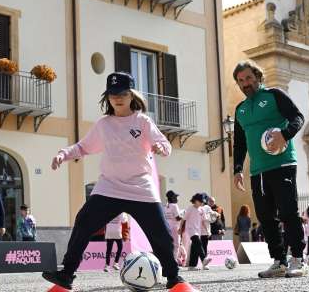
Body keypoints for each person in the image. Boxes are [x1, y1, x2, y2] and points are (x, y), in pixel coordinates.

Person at [41, 72, 195, 292]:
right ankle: (66, 274)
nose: (117, 98)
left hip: (140, 187)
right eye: (113, 94)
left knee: (160, 234)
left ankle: (174, 278)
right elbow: (83, 147)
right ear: (108, 97)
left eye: (122, 93)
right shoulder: (104, 124)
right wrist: (63, 154)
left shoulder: (142, 121)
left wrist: (162, 148)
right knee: (83, 221)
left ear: (131, 95)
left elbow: (164, 144)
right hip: (109, 186)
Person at [232, 60, 306, 278]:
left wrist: (285, 134)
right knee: (266, 217)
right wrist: (237, 169)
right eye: (241, 80)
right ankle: (279, 261)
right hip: (258, 171)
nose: (245, 83)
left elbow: (297, 117)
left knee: (288, 212)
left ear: (257, 77)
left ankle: (298, 259)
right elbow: (239, 143)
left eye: (248, 78)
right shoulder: (240, 109)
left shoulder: (274, 95)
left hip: (282, 164)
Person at [180, 193, 212, 271]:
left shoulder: (201, 209)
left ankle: (192, 265)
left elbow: (204, 221)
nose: (201, 203)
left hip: (198, 231)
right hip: (191, 230)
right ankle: (203, 259)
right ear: (195, 200)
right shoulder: (190, 208)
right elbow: (183, 219)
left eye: (202, 201)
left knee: (194, 247)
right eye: (200, 201)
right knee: (198, 243)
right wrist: (180, 228)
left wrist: (207, 231)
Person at [199, 193, 219, 269]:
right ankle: (204, 264)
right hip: (204, 231)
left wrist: (216, 214)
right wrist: (208, 231)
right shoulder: (206, 207)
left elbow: (212, 213)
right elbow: (207, 219)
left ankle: (193, 264)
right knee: (204, 247)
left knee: (199, 247)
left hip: (198, 231)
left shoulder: (199, 208)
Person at [164, 190, 182, 261]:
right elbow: (178, 218)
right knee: (176, 245)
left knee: (169, 245)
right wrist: (184, 216)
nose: (177, 198)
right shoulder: (175, 206)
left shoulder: (165, 206)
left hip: (167, 227)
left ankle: (169, 260)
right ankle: (174, 261)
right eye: (176, 197)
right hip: (175, 228)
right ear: (172, 198)